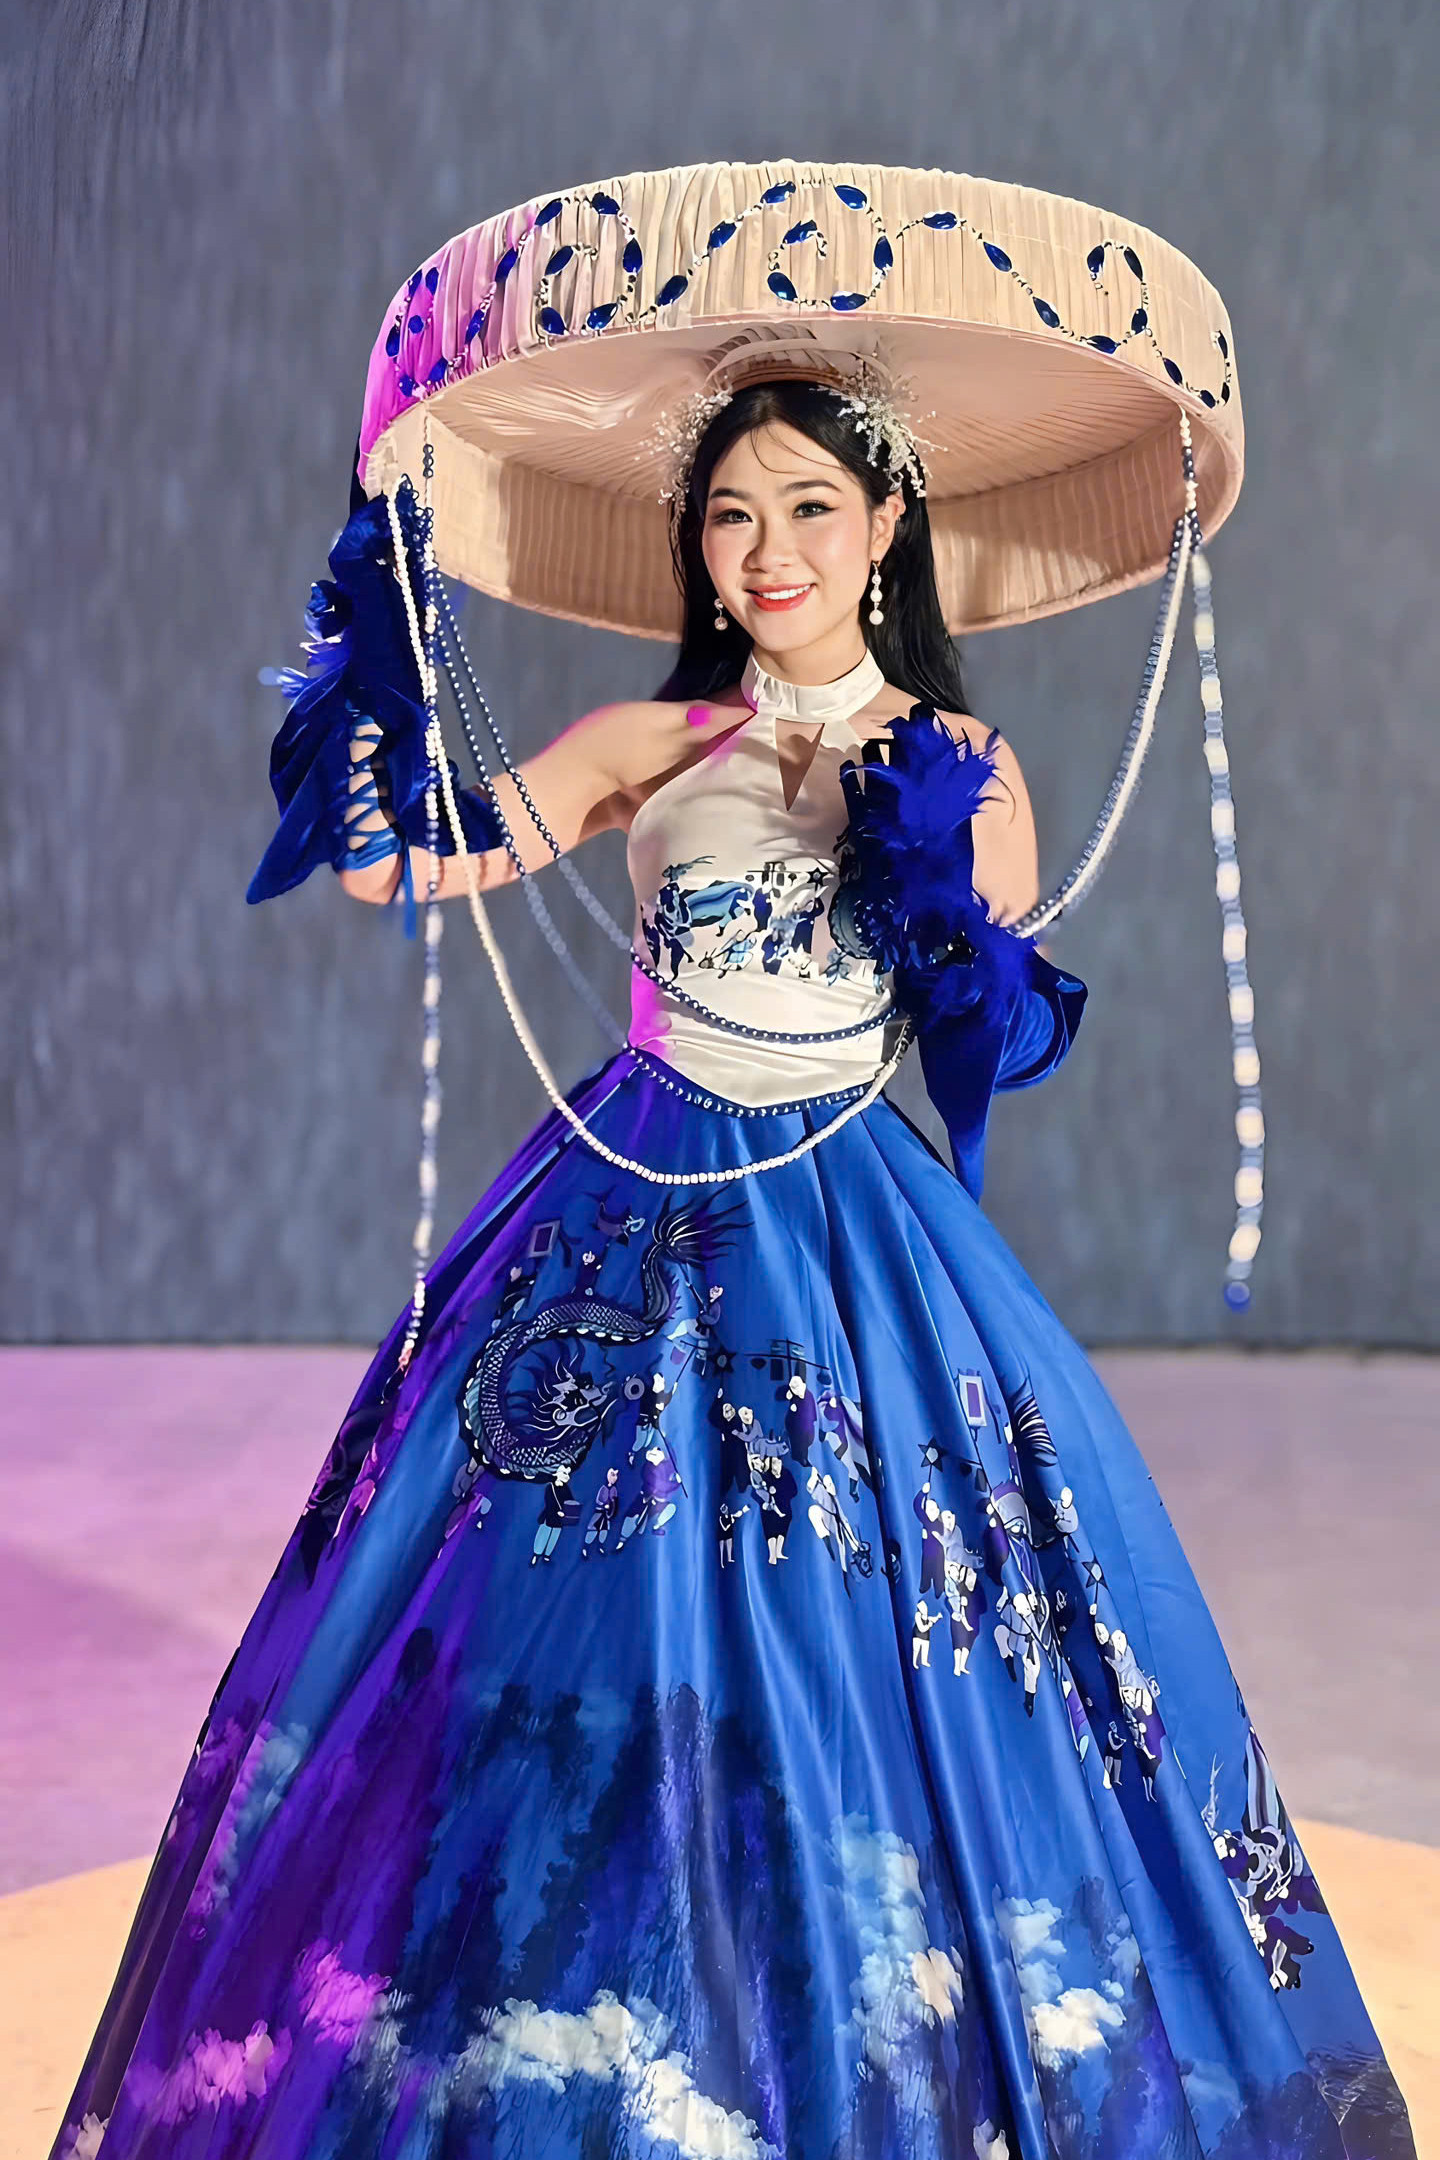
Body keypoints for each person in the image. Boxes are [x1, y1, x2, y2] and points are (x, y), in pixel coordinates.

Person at [50, 162, 1415, 2160]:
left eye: (808, 508)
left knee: (875, 1624)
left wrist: (921, 858)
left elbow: (995, 1012)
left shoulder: (961, 765)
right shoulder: (650, 741)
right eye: (729, 514)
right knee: (555, 1609)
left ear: (886, 527)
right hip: (621, 1202)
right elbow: (398, 870)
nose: (766, 550)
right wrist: (367, 689)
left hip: (852, 1230)